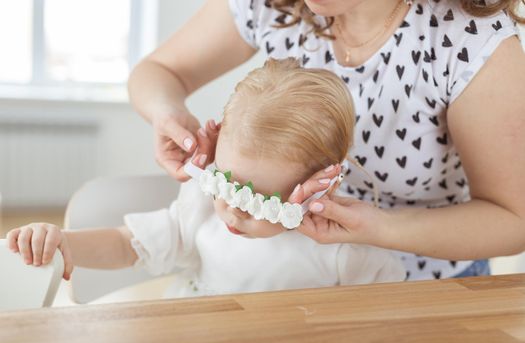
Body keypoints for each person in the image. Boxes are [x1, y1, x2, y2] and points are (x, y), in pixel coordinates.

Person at [127, 0, 525, 281]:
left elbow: (514, 221)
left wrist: (377, 228)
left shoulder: (468, 43)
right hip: (296, 279)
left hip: (426, 289)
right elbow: (159, 71)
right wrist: (166, 112)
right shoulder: (271, 5)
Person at [5, 58, 405, 297]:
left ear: (322, 184)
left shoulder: (350, 255)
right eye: (223, 182)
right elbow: (128, 245)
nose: (231, 207)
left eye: (256, 199)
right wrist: (64, 243)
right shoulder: (200, 211)